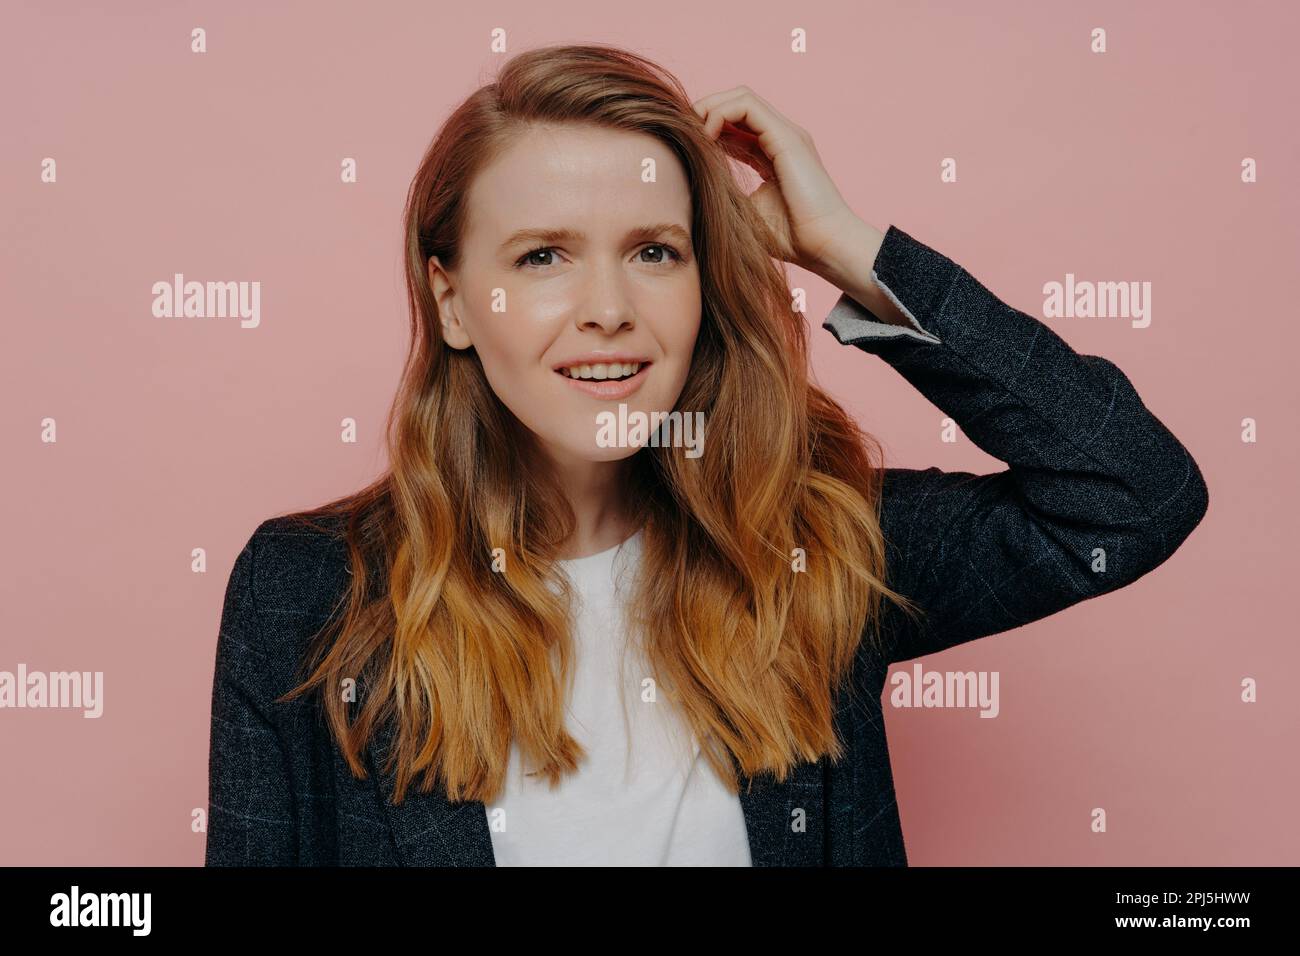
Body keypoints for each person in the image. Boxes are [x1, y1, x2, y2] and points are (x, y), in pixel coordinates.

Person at [205, 43, 1208, 866]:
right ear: (453, 298)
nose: (608, 309)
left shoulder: (814, 548)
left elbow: (1130, 493)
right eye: (543, 254)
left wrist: (845, 248)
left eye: (654, 251)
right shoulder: (303, 592)